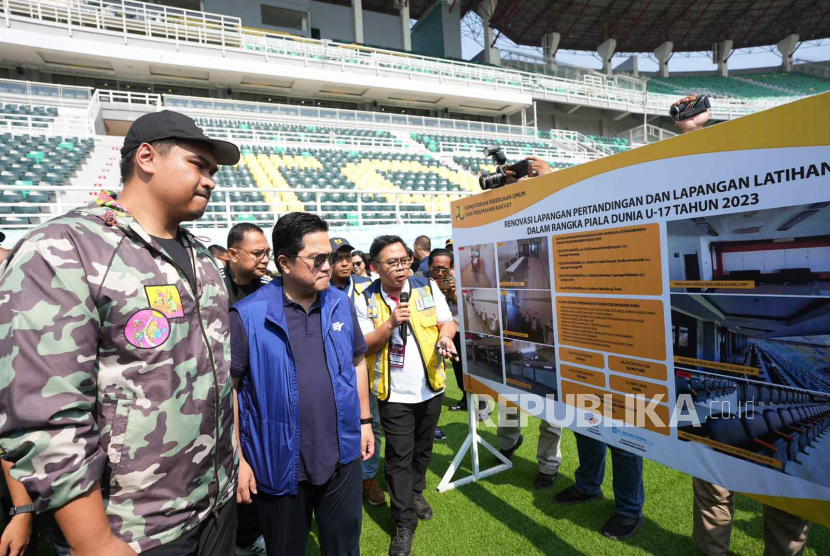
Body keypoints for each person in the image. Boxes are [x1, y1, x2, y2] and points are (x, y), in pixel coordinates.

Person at [0, 110, 241, 555]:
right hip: (131, 530)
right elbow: (47, 415)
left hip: (214, 508)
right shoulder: (64, 249)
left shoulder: (204, 259)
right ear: (146, 158)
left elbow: (222, 378)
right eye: (198, 165)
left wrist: (236, 462)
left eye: (213, 171)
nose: (210, 180)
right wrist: (93, 541)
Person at [671, 94, 813, 556]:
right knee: (714, 488)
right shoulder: (694, 221)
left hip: (728, 409)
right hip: (720, 409)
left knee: (782, 501)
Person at [231, 213, 374, 556]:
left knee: (344, 548)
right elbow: (230, 391)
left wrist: (366, 422)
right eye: (318, 259)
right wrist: (237, 458)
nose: (329, 266)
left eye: (332, 257)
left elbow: (358, 361)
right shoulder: (247, 315)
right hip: (278, 462)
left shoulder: (340, 302)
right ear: (284, 262)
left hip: (342, 457)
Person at [355, 235, 458, 556]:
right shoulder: (365, 298)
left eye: (404, 261)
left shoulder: (427, 287)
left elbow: (448, 322)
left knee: (422, 450)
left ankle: (415, 491)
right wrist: (388, 325)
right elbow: (362, 346)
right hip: (393, 394)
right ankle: (403, 521)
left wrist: (446, 339)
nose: (401, 268)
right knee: (399, 456)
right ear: (375, 267)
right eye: (393, 262)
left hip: (431, 386)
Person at [328, 237, 385, 505]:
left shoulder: (368, 286)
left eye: (348, 256)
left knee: (370, 423)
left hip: (367, 367)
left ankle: (368, 476)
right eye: (337, 257)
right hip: (331, 372)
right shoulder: (318, 288)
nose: (345, 262)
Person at [221, 222, 272, 306]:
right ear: (233, 254)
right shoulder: (214, 286)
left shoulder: (269, 287)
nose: (265, 260)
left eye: (267, 252)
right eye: (257, 253)